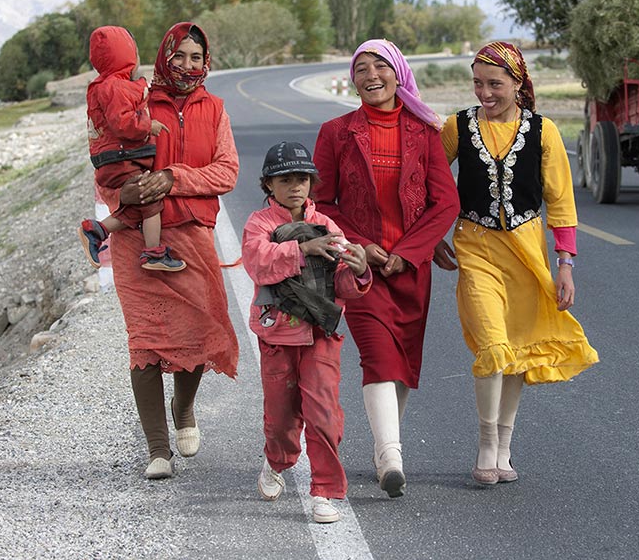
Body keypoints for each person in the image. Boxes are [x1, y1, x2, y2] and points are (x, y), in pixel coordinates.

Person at [434, 42, 599, 485]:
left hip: (527, 253)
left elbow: (560, 201)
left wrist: (565, 263)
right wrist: (430, 238)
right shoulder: (457, 127)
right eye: (478, 83)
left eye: (495, 84)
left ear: (518, 82)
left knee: (518, 350)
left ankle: (504, 446)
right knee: (493, 345)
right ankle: (486, 444)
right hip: (475, 248)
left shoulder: (544, 131)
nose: (485, 93)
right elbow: (429, 181)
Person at [312, 39, 459, 498]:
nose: (371, 75)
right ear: (352, 80)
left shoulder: (425, 132)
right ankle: (391, 457)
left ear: (399, 74)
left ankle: (383, 449)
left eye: (380, 66)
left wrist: (409, 252)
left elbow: (445, 202)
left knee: (404, 361)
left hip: (411, 269)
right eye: (361, 68)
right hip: (360, 267)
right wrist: (362, 245)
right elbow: (321, 202)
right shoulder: (336, 132)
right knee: (378, 356)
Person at [106, 22, 240, 480]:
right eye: (178, 55)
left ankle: (183, 408)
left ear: (206, 62)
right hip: (137, 239)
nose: (187, 65)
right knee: (145, 340)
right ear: (164, 57)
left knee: (198, 332)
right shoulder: (138, 102)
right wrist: (121, 193)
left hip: (193, 237)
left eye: (195, 57)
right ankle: (157, 450)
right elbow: (108, 159)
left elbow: (227, 172)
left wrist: (173, 177)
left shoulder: (215, 109)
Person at [243, 141, 371, 524]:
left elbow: (342, 282)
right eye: (285, 179)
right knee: (281, 417)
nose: (295, 186)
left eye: (302, 178)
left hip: (320, 334)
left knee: (324, 413)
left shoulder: (329, 227)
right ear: (269, 184)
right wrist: (303, 249)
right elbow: (257, 262)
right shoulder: (260, 224)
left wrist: (359, 270)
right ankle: (276, 460)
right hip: (277, 335)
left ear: (312, 183)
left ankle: (325, 490)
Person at [78, 26, 185, 273]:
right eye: (134, 53)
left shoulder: (108, 85)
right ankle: (154, 252)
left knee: (137, 205)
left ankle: (97, 231)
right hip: (121, 158)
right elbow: (123, 123)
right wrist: (149, 125)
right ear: (125, 56)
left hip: (116, 158)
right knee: (150, 199)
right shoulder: (115, 87)